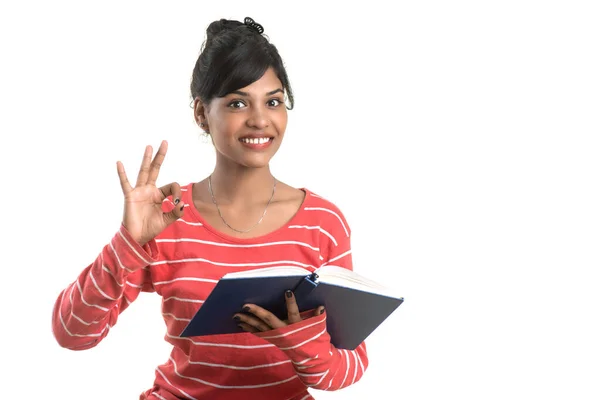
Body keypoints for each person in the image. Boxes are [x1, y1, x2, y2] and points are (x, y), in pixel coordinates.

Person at [51, 17, 369, 400]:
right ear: (202, 113)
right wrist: (127, 244)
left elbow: (349, 367)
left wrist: (299, 343)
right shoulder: (168, 215)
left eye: (273, 101)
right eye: (237, 102)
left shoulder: (323, 222)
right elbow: (72, 334)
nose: (260, 119)